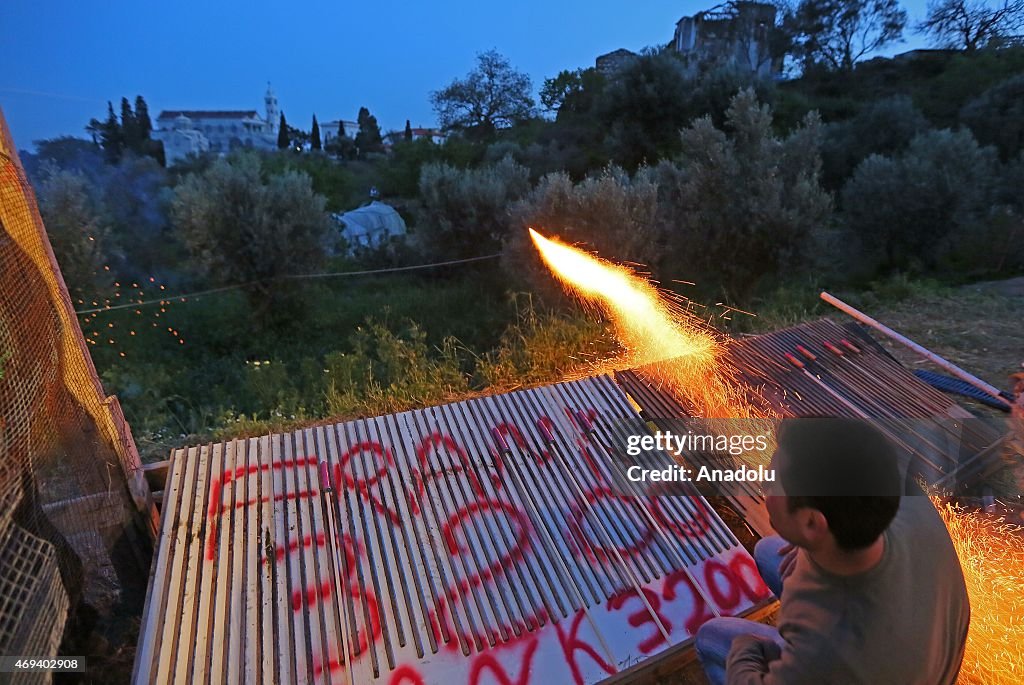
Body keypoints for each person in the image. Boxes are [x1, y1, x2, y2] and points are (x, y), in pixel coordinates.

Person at [696, 417, 970, 684]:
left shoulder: (823, 653)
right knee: (769, 550)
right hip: (925, 646)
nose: (763, 488)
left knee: (712, 636)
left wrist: (747, 648)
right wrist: (811, 546)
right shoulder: (898, 498)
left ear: (813, 522)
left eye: (771, 483)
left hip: (866, 659)